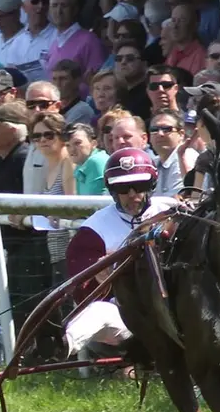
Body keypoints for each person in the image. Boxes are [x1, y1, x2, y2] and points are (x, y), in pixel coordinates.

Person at [61, 148, 179, 354]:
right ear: (113, 190)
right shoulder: (93, 230)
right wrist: (98, 277)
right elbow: (81, 291)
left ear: (151, 185)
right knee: (98, 312)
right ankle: (61, 346)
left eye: (139, 186)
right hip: (129, 318)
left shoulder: (174, 211)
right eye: (123, 188)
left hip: (181, 307)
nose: (132, 194)